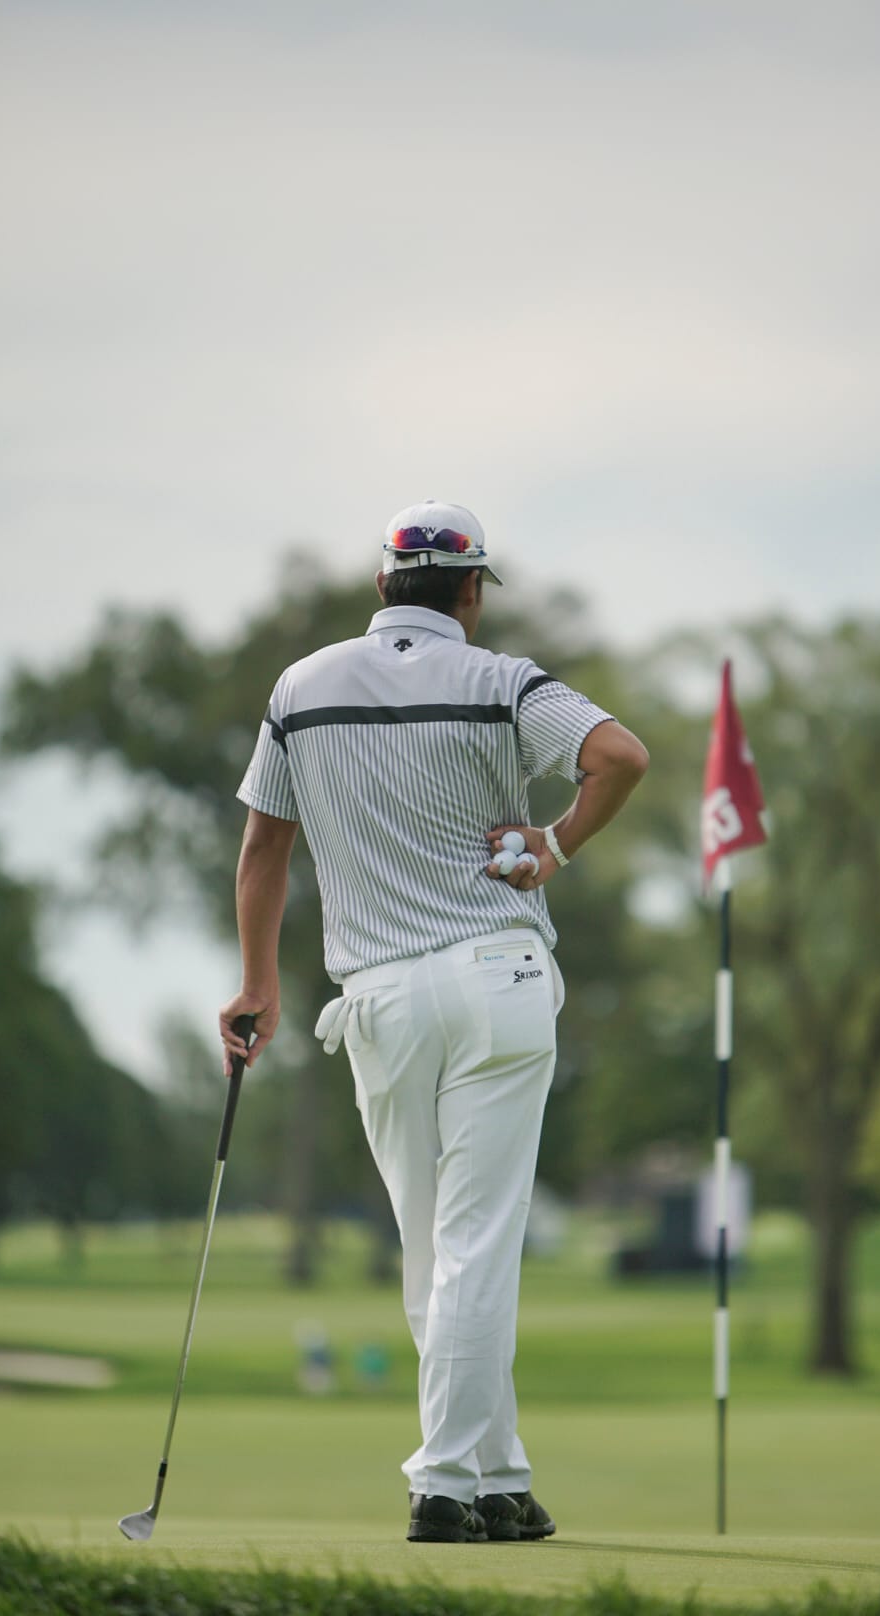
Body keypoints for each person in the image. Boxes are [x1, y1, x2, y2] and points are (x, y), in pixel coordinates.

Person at [219, 500, 649, 1543]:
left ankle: (496, 1475)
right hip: (497, 979)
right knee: (468, 1247)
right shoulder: (502, 677)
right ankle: (449, 1480)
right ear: (471, 591)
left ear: (380, 588)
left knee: (438, 1249)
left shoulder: (299, 688)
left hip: (379, 999)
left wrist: (256, 985)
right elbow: (622, 756)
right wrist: (553, 841)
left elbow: (264, 850)